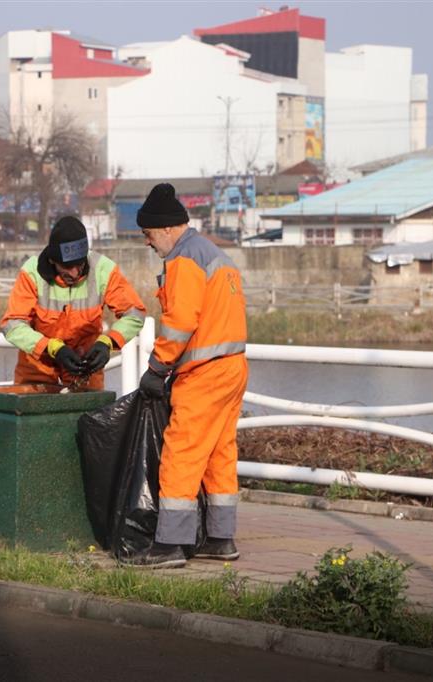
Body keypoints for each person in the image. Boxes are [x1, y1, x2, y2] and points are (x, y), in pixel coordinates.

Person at [128, 183, 248, 569]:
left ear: (165, 229)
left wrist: (156, 368)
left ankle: (170, 545)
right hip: (232, 367)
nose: (148, 243)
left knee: (181, 451)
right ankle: (219, 538)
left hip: (204, 374)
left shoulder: (183, 260)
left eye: (147, 234)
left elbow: (180, 323)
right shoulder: (217, 256)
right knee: (219, 453)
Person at [0, 215, 146, 390]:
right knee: (31, 415)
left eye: (80, 264)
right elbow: (12, 324)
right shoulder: (31, 273)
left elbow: (134, 313)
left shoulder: (103, 269)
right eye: (67, 267)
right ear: (52, 261)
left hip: (86, 366)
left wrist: (107, 342)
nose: (75, 273)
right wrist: (51, 347)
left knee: (88, 416)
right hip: (39, 363)